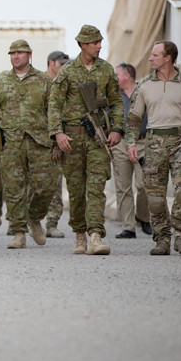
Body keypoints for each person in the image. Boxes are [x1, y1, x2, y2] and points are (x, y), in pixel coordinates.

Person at [127, 41, 181, 255]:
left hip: (180, 142)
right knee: (154, 198)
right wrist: (131, 143)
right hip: (154, 145)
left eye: (155, 55)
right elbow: (134, 119)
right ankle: (162, 239)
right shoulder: (144, 85)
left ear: (168, 58)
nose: (151, 58)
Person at [49, 25, 123, 255]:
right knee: (76, 189)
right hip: (71, 137)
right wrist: (58, 133)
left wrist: (117, 129)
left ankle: (95, 236)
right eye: (94, 43)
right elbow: (54, 103)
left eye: (100, 42)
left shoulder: (106, 70)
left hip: (98, 138)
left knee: (96, 186)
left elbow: (116, 101)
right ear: (82, 45)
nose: (99, 46)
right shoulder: (68, 72)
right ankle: (80, 233)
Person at [0, 40, 58, 249]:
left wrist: (57, 137)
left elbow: (54, 110)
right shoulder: (1, 82)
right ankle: (19, 232)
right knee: (13, 188)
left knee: (47, 186)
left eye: (20, 53)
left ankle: (34, 216)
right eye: (12, 53)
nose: (15, 57)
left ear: (29, 55)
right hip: (11, 143)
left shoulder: (44, 81)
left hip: (39, 141)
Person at [112, 62, 153, 239]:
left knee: (143, 184)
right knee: (123, 186)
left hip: (143, 143)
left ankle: (143, 217)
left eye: (117, 75)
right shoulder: (113, 96)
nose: (114, 78)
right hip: (120, 143)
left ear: (127, 76)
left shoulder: (145, 91)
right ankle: (128, 226)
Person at [44, 50, 70, 239]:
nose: (64, 68)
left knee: (56, 183)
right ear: (51, 63)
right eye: (61, 64)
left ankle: (52, 223)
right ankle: (30, 221)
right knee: (34, 185)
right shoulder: (39, 83)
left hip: (58, 140)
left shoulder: (65, 85)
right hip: (38, 140)